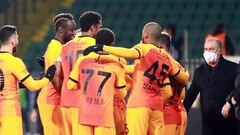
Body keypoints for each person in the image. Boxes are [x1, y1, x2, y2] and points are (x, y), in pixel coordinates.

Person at [84, 22, 189, 135]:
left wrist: (104, 48)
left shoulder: (143, 48)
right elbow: (183, 78)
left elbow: (130, 53)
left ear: (146, 35)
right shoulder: (166, 57)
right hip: (157, 107)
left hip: (139, 104)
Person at [67, 28, 127, 135]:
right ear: (112, 44)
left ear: (95, 41)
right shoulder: (118, 64)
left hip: (85, 116)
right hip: (104, 117)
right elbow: (122, 95)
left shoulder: (83, 60)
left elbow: (70, 85)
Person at [0, 25, 55, 135]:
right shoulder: (14, 62)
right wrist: (48, 77)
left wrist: (18, 84)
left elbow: (4, 81)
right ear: (12, 41)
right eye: (17, 38)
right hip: (9, 111)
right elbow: (34, 86)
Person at [56, 11, 102, 135]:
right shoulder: (97, 47)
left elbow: (56, 73)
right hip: (85, 102)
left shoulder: (65, 47)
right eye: (99, 27)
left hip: (66, 101)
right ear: (93, 28)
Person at [183, 38, 239, 135]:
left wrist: (230, 103)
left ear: (220, 51)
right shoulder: (199, 72)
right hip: (208, 127)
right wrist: (183, 112)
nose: (208, 52)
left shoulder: (233, 68)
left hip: (229, 125)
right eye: (206, 49)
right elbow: (190, 95)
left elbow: (238, 89)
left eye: (211, 49)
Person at [37, 13, 76, 135]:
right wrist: (65, 98)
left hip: (53, 99)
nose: (74, 33)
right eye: (71, 30)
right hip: (51, 100)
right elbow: (54, 77)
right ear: (60, 30)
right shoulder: (56, 48)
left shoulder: (58, 46)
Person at [159, 33, 188, 135]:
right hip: (180, 112)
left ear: (162, 47)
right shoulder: (178, 66)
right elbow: (183, 95)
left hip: (167, 114)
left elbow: (166, 94)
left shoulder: (162, 66)